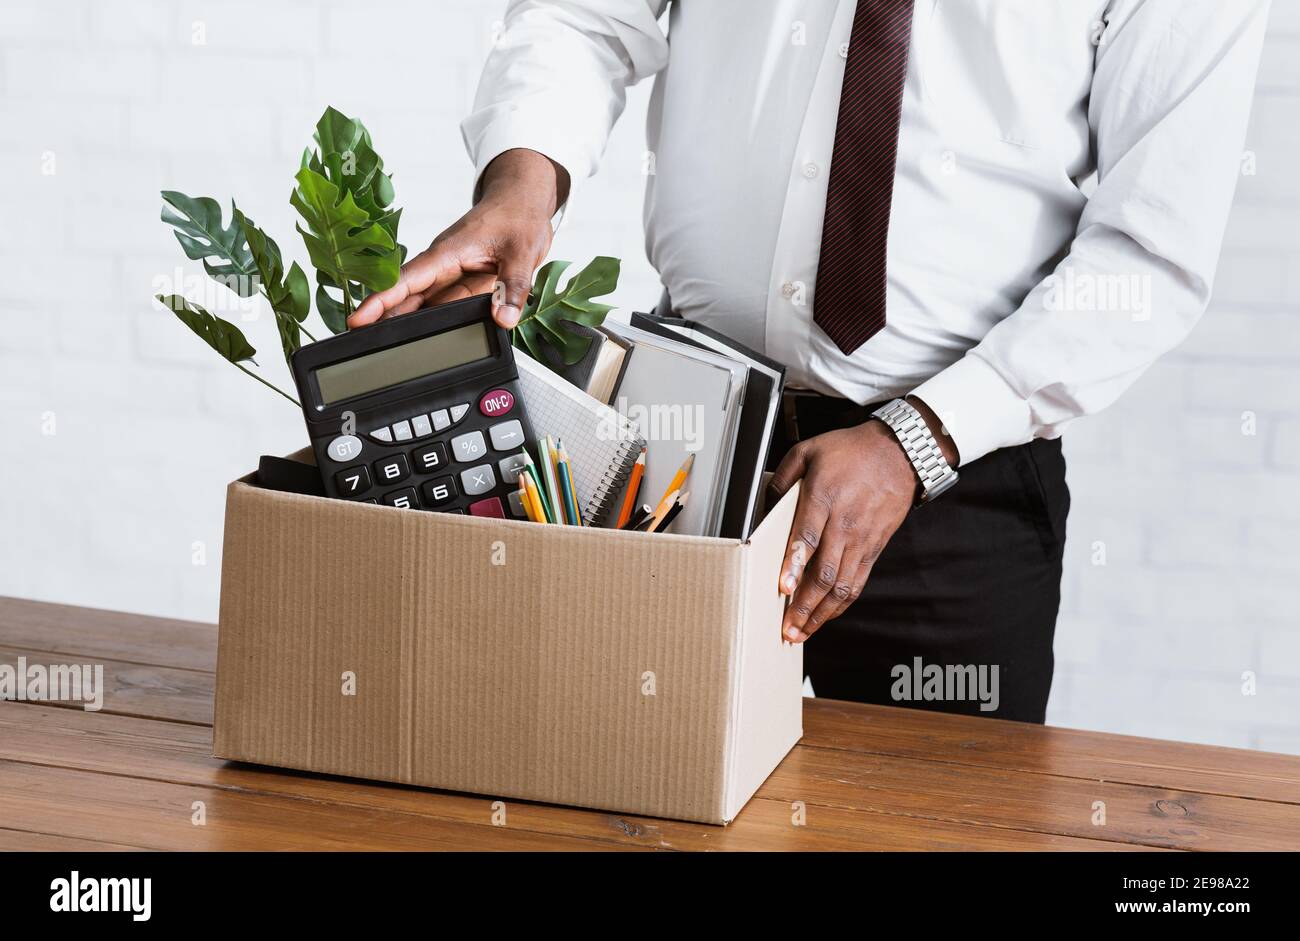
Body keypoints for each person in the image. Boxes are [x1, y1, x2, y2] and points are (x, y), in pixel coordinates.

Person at [348, 0, 1270, 722]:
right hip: (683, 445)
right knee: (624, 795)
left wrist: (916, 442)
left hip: (953, 489)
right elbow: (583, 14)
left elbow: (1150, 250)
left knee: (925, 836)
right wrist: (521, 187)